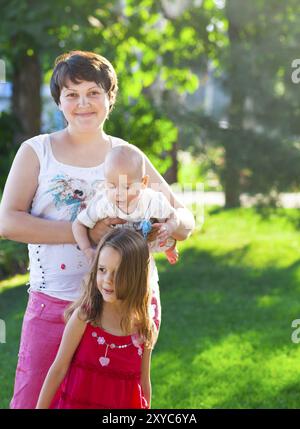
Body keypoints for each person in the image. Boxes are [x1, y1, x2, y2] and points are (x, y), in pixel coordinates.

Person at [0, 50, 195, 409]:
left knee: (116, 401)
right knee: (33, 399)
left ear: (110, 98)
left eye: (93, 92)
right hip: (56, 302)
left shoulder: (127, 154)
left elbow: (184, 217)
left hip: (127, 306)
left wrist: (173, 227)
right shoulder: (37, 151)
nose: (83, 103)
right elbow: (8, 222)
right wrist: (87, 234)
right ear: (58, 101)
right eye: (71, 94)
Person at [36, 228, 156, 409]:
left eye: (118, 273)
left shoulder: (144, 327)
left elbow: (144, 382)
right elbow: (58, 369)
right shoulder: (85, 317)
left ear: (136, 276)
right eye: (102, 269)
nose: (107, 279)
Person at [72, 144, 179, 265]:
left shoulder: (151, 200)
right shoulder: (104, 203)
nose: (118, 193)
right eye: (112, 186)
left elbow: (173, 216)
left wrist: (169, 227)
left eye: (127, 187)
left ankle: (170, 248)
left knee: (164, 238)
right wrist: (87, 250)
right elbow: (78, 224)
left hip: (147, 238)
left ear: (143, 182)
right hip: (121, 244)